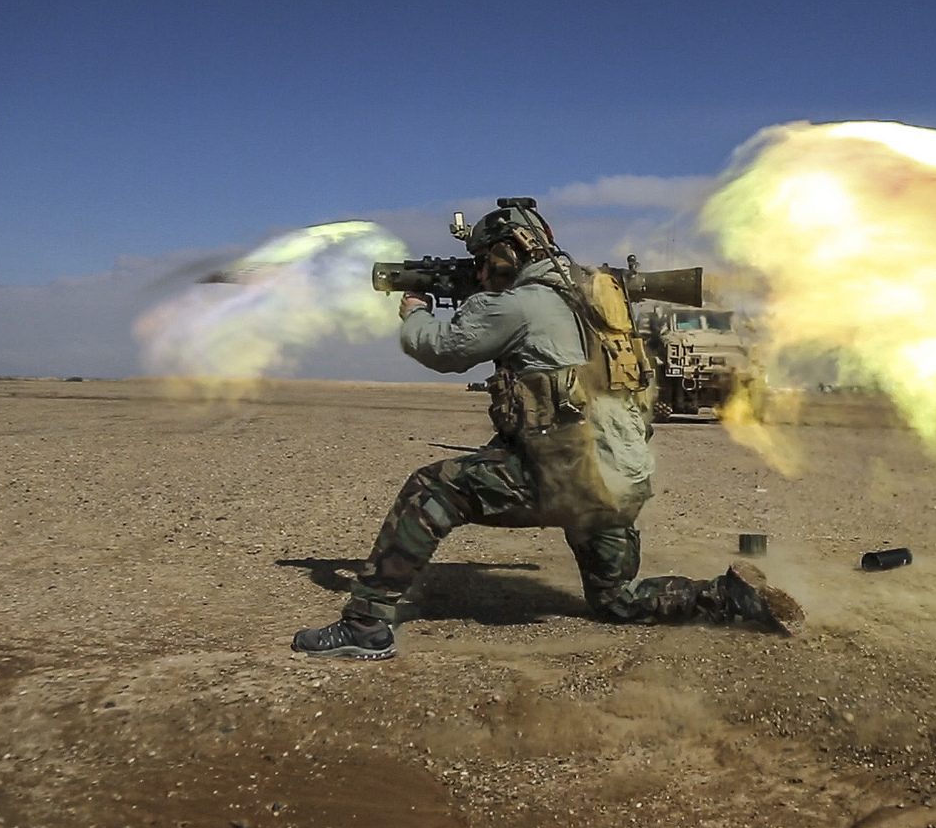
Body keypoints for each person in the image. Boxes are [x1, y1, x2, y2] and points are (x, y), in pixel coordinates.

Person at [292, 201, 801, 659]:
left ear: (508, 250)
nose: (483, 269)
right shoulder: (598, 301)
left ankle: (365, 624)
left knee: (432, 487)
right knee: (616, 601)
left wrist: (416, 313)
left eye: (486, 257)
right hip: (620, 479)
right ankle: (729, 598)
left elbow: (444, 351)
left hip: (570, 477)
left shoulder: (519, 303)